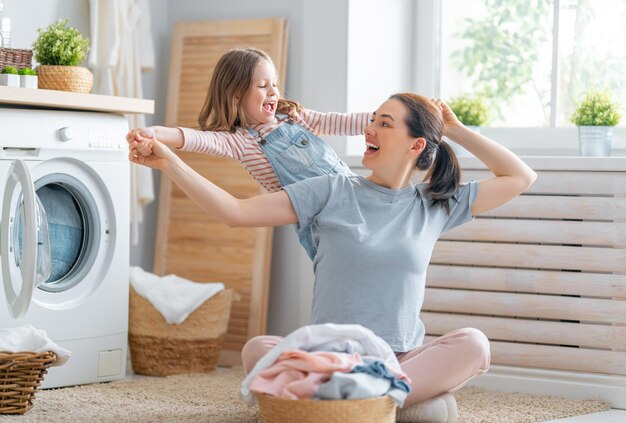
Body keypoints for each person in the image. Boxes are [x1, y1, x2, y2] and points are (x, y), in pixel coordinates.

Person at [129, 93, 537, 422]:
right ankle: (374, 399)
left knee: (474, 345)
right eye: (372, 118)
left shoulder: (433, 205)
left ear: (416, 145)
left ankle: (343, 397)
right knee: (257, 349)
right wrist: (170, 162)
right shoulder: (330, 190)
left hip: (398, 357)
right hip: (328, 354)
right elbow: (235, 213)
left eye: (384, 123)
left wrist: (455, 129)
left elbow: (520, 177)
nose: (369, 128)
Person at [127, 47, 371, 260]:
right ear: (236, 95)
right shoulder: (241, 143)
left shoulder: (295, 117)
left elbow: (341, 122)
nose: (273, 91)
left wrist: (381, 121)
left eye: (274, 84)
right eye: (263, 86)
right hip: (326, 226)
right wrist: (153, 132)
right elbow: (195, 139)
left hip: (357, 197)